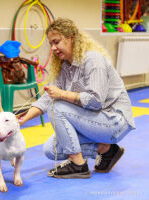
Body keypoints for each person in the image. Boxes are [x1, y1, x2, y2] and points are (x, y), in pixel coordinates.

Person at [19, 18, 135, 179]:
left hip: (115, 121)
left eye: (56, 42)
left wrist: (61, 94)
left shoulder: (93, 60)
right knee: (51, 150)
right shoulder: (64, 66)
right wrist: (23, 118)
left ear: (71, 37)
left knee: (57, 105)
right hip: (95, 121)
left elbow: (95, 101)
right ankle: (107, 150)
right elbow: (47, 98)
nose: (53, 48)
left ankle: (78, 164)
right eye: (50, 44)